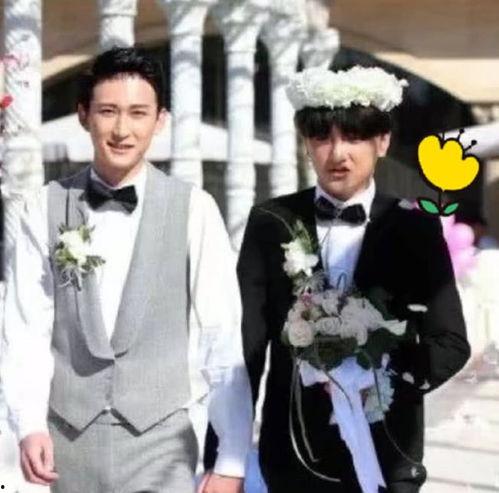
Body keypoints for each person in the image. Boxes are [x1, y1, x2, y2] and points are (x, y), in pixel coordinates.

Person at [0, 47, 252, 493]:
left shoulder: (195, 208)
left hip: (164, 445)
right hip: (66, 442)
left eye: (138, 113)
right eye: (108, 111)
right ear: (83, 115)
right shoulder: (43, 206)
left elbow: (222, 336)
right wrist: (29, 424)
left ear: (160, 120)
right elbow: (25, 328)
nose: (121, 129)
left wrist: (231, 457)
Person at [230, 66, 470, 493]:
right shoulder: (270, 220)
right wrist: (226, 457)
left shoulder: (415, 226)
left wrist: (379, 373)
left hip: (388, 453)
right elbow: (245, 348)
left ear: (383, 141)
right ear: (306, 144)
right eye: (322, 137)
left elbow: (451, 342)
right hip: (293, 456)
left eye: (354, 137)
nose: (337, 152)